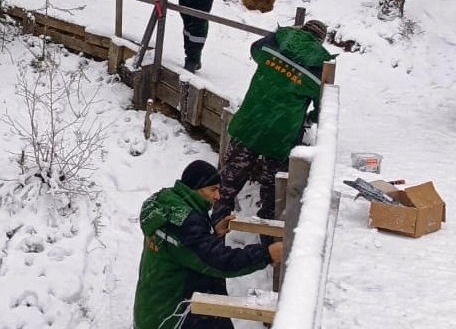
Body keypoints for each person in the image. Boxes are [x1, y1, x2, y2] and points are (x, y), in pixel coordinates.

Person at [211, 20, 334, 229]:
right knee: (271, 193)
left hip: (250, 122)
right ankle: (267, 243)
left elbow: (254, 49)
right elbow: (323, 106)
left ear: (302, 30)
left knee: (228, 184)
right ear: (320, 40)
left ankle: (215, 229)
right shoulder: (320, 66)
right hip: (281, 135)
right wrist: (310, 118)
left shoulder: (277, 42)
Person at [133, 160, 284, 329]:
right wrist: (267, 254)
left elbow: (187, 249)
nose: (218, 196)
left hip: (154, 307)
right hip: (172, 316)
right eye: (213, 189)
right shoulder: (184, 222)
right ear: (196, 188)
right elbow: (218, 262)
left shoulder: (170, 205)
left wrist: (211, 234)